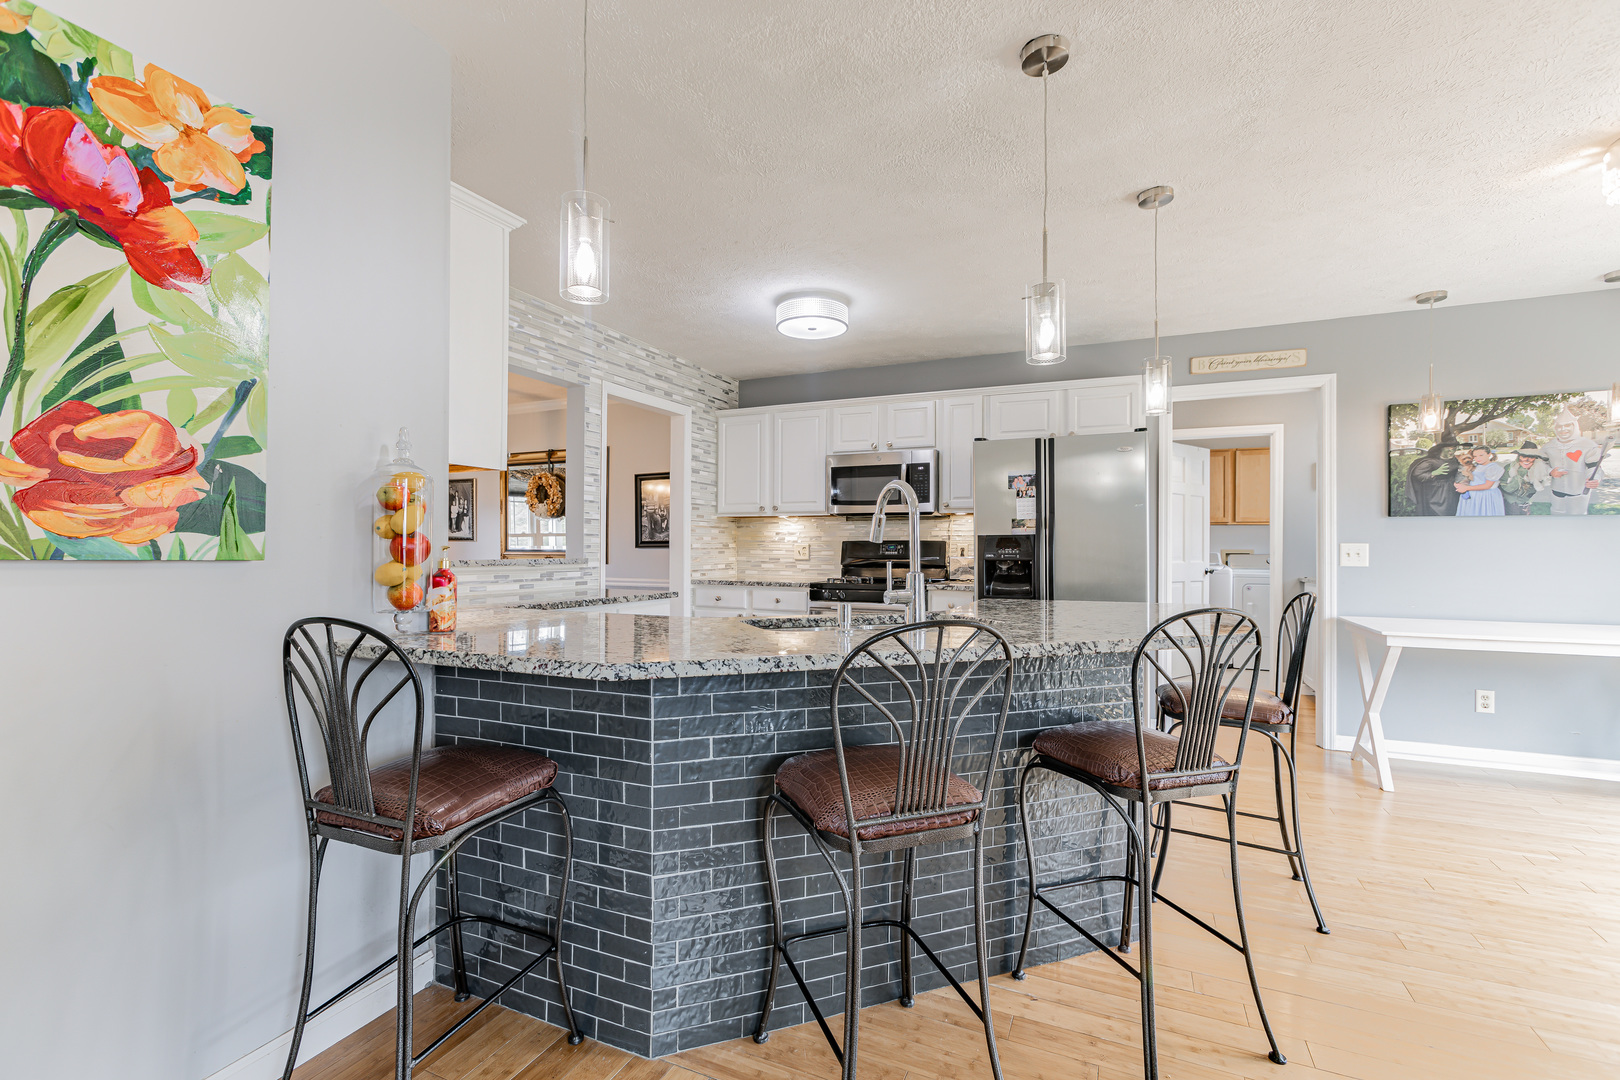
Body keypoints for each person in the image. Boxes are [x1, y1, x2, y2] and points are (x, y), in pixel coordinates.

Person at [1542, 406, 1604, 515]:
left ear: (1574, 426)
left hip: (1578, 490)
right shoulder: (1548, 446)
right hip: (1557, 490)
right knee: (1557, 515)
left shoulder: (1588, 445)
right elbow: (1540, 464)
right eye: (1559, 426)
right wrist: (1550, 471)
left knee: (1578, 518)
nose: (1563, 429)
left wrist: (1594, 478)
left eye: (1567, 425)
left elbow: (1594, 466)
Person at [1405, 435, 1462, 516]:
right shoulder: (1431, 461)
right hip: (1437, 493)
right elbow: (1417, 474)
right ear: (1442, 449)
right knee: (1439, 514)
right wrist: (1434, 473)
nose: (1451, 452)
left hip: (1452, 491)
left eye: (1454, 449)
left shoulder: (1454, 459)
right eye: (1449, 449)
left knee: (1452, 512)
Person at [1498, 440, 1550, 515]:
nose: (1527, 460)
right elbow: (1507, 489)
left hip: (1530, 505)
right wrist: (1521, 474)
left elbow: (1542, 490)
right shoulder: (1510, 468)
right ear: (1519, 457)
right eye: (1524, 456)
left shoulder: (1539, 470)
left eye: (1531, 457)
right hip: (1511, 504)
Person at [1454, 446, 1505, 516]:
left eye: (1481, 455)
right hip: (1472, 496)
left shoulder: (1493, 468)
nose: (1478, 458)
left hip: (1485, 496)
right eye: (1475, 456)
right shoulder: (1476, 466)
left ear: (1489, 454)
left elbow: (1487, 485)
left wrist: (1466, 488)